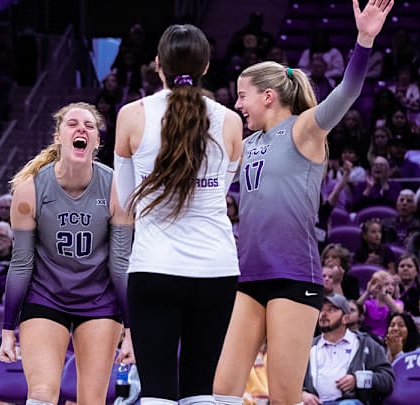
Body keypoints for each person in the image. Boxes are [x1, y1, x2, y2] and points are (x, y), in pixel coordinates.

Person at [213, 2, 393, 405]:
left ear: (269, 96)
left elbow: (349, 91)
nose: (238, 105)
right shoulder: (246, 143)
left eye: (244, 96)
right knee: (222, 390)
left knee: (283, 396)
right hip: (249, 277)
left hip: (294, 276)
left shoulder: (305, 129)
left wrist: (364, 39)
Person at [115, 24, 243, 404]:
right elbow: (221, 190)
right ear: (205, 65)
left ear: (158, 65)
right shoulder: (230, 121)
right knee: (200, 390)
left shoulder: (132, 115)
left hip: (154, 267)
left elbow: (124, 199)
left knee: (156, 392)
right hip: (215, 269)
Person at [0, 102, 134, 405]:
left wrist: (131, 327)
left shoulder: (117, 187)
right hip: (46, 296)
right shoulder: (29, 189)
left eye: (89, 126)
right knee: (42, 394)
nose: (81, 129)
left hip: (99, 300)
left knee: (92, 400)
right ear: (58, 136)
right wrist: (8, 328)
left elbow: (121, 263)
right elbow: (21, 264)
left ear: (97, 141)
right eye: (72, 124)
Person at [301, 295, 394, 405]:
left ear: (345, 318)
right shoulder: (307, 346)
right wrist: (302, 394)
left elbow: (387, 380)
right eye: (322, 309)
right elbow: (288, 380)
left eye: (332, 309)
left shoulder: (365, 344)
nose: (324, 314)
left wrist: (358, 379)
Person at [357, 270, 404, 339]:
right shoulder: (368, 304)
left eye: (393, 285)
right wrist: (367, 292)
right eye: (386, 284)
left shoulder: (398, 303)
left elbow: (397, 312)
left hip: (387, 340)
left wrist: (385, 294)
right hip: (368, 340)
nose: (390, 287)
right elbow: (356, 308)